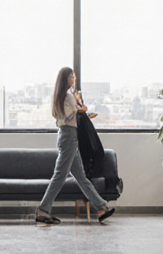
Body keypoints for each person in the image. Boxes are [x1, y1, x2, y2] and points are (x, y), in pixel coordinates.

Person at [36, 67, 115, 225]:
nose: (74, 79)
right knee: (60, 176)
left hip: (70, 136)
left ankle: (101, 208)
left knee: (81, 177)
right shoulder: (65, 95)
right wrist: (79, 109)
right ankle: (43, 210)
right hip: (68, 136)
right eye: (72, 77)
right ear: (66, 78)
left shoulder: (64, 95)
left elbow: (65, 114)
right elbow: (66, 116)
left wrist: (78, 106)